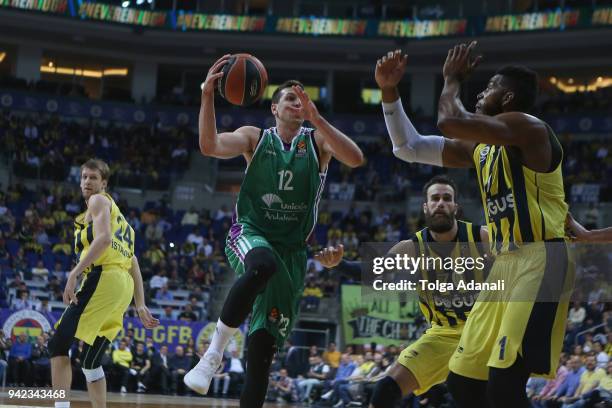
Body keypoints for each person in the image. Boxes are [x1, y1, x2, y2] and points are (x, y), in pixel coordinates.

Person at [375, 45, 573, 408]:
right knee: (464, 381)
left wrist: (452, 79)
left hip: (539, 260)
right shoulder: (482, 150)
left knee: (504, 380)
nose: (482, 93)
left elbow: (449, 122)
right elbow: (408, 147)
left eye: (490, 87)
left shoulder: (526, 126)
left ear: (508, 97)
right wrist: (389, 93)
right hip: (506, 263)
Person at [183, 55, 364, 408]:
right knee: (262, 264)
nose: (299, 104)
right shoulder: (255, 137)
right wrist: (207, 96)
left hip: (293, 252)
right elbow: (210, 146)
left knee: (262, 353)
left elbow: (355, 158)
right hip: (250, 233)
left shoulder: (317, 142)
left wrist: (318, 119)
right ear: (274, 108)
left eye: (303, 100)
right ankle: (213, 353)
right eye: (291, 100)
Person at [316, 175, 489, 407]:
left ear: (455, 207)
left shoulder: (482, 237)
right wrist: (340, 264)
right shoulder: (412, 247)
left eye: (447, 198)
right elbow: (374, 272)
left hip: (485, 332)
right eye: (435, 198)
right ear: (426, 206)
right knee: (385, 390)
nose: (441, 203)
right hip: (442, 335)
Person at [47, 159, 159, 408]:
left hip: (104, 277)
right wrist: (140, 304)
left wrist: (74, 273)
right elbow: (134, 262)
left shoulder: (98, 201)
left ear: (104, 183)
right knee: (90, 359)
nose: (87, 181)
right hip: (122, 286)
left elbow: (105, 239)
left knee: (57, 344)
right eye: (84, 177)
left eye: (93, 178)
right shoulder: (120, 219)